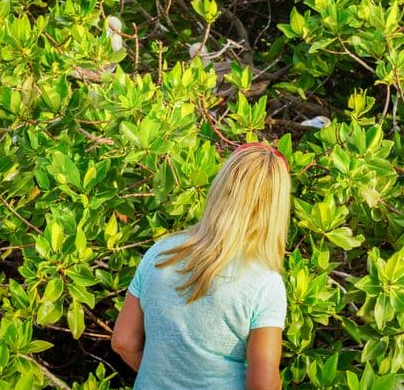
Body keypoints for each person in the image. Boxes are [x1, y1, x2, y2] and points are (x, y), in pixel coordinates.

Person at [112, 142, 291, 389]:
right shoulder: (264, 284)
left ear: (220, 188)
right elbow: (263, 385)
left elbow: (123, 341)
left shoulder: (161, 252)